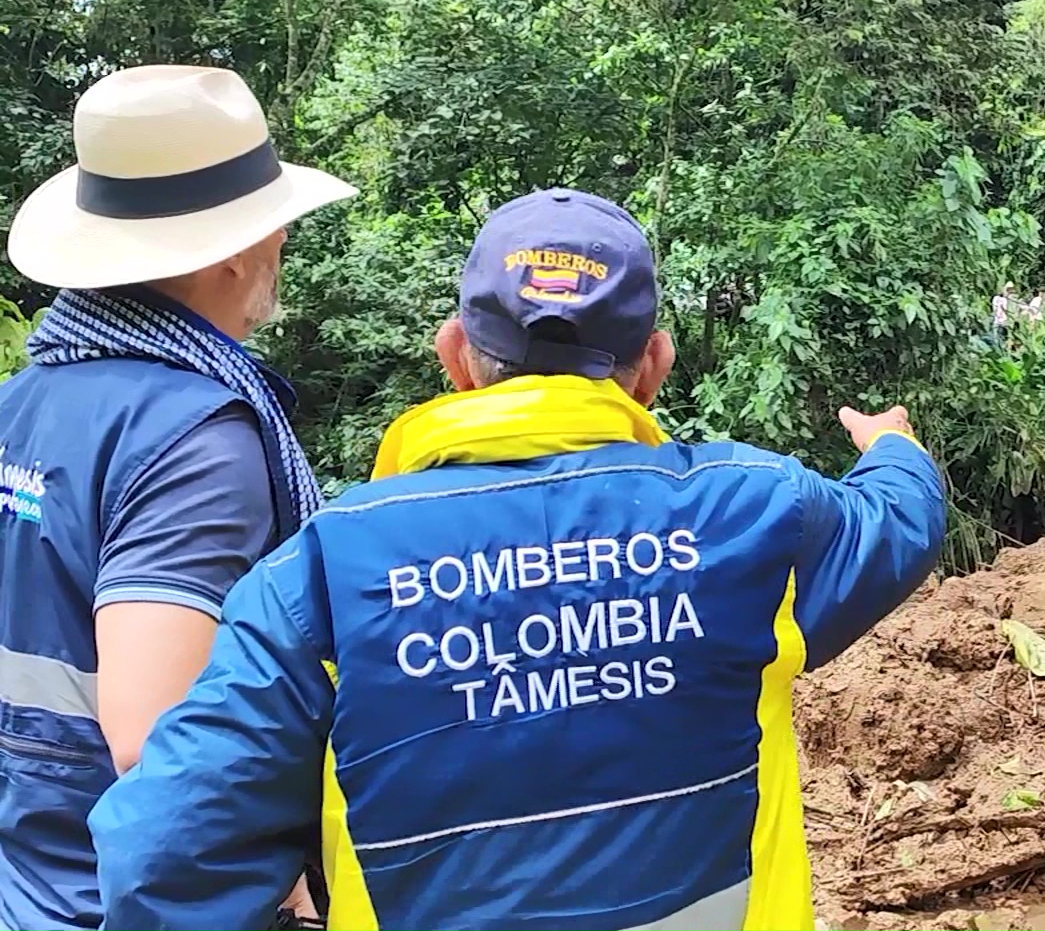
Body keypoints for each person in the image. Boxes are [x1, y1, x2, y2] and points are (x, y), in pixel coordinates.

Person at [89, 188, 949, 931]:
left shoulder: (321, 576)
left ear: (455, 354)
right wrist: (892, 446)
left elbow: (164, 851)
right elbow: (896, 525)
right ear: (652, 366)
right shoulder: (753, 517)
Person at [0, 65, 355, 930]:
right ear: (232, 249)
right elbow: (158, 743)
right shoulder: (195, 440)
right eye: (275, 225)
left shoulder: (27, 400)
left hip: (28, 875)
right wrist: (285, 894)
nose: (282, 244)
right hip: (123, 900)